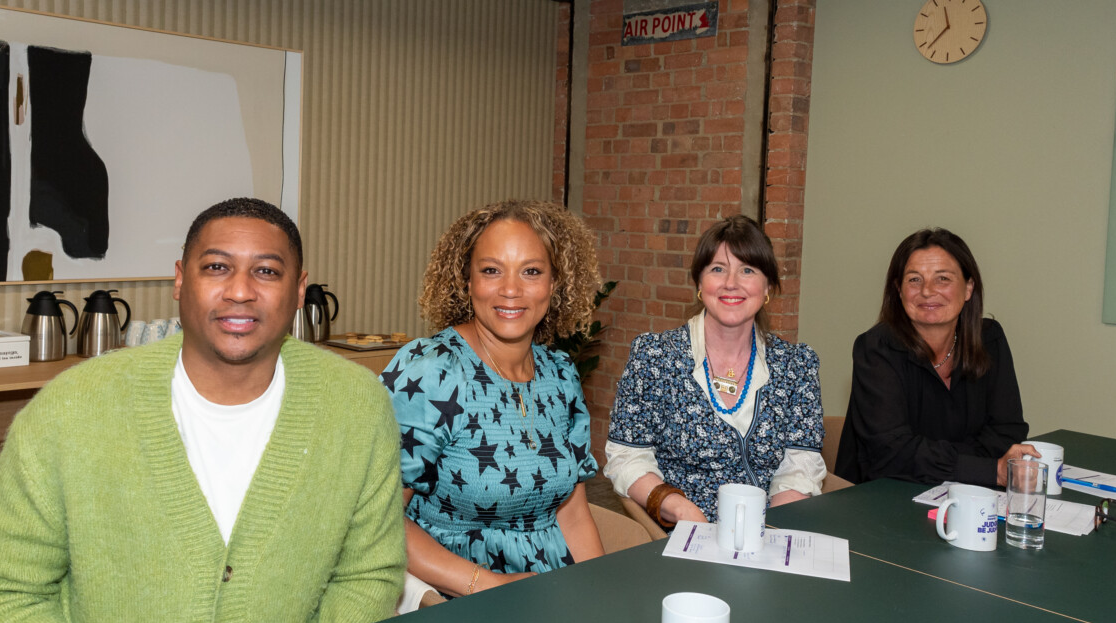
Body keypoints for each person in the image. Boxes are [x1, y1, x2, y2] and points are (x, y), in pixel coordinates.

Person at [0, 198, 406, 623]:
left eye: (266, 271)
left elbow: (370, 576)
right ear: (179, 281)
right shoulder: (72, 408)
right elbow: (1, 594)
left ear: (299, 290)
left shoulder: (357, 406)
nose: (240, 290)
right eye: (216, 267)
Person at [379, 199, 604, 597]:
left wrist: (597, 594)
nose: (512, 290)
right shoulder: (431, 371)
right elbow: (379, 519)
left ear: (555, 284)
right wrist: (489, 585)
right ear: (467, 281)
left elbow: (571, 511)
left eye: (531, 271)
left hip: (551, 595)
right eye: (491, 271)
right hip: (456, 597)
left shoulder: (561, 373)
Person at [606, 215, 826, 528]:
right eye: (717, 269)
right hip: (685, 533)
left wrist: (771, 530)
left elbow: (799, 464)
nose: (731, 283)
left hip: (768, 531)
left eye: (747, 270)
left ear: (767, 287)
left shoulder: (797, 365)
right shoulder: (654, 357)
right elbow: (626, 457)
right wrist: (680, 510)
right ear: (699, 283)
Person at [834, 228, 1033, 487]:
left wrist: (954, 465)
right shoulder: (876, 349)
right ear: (899, 290)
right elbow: (892, 454)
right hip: (882, 499)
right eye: (914, 280)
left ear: (968, 288)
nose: (927, 291)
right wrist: (987, 468)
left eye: (943, 279)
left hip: (972, 493)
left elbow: (1008, 432)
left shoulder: (989, 339)